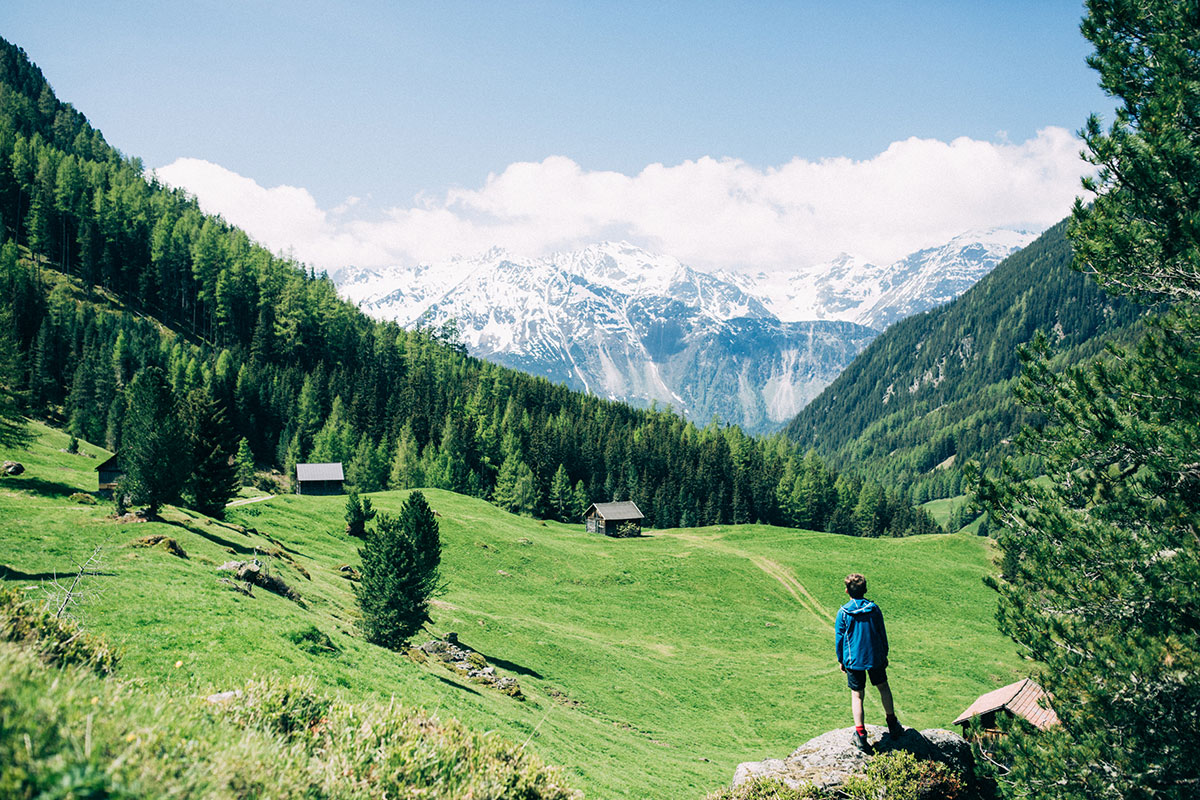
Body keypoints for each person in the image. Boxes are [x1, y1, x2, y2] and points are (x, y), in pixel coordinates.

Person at [835, 572, 902, 753]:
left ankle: (861, 734)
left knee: (857, 695)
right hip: (875, 657)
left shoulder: (843, 613)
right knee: (883, 688)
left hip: (853, 660)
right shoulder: (874, 609)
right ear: (865, 589)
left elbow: (839, 639)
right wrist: (884, 654)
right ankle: (893, 723)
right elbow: (882, 633)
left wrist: (841, 659)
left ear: (846, 591)